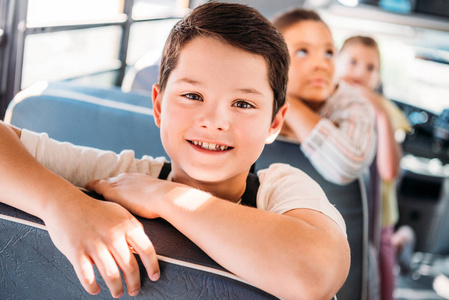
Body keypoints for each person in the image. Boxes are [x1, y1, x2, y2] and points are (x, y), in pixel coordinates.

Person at [0, 2, 350, 299]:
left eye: (243, 103)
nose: (215, 122)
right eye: (193, 96)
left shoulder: (283, 188)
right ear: (158, 105)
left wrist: (164, 196)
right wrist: (63, 204)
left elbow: (315, 271)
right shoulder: (123, 174)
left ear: (274, 123)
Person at [336, 35, 412, 300]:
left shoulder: (386, 112)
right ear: (337, 63)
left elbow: (389, 171)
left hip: (378, 220)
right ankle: (404, 240)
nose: (360, 72)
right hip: (339, 212)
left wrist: (379, 113)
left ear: (378, 78)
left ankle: (401, 241)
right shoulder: (327, 105)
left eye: (370, 68)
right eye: (353, 62)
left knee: (382, 286)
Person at [271, 9, 376, 185]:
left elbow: (346, 165)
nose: (322, 65)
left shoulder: (355, 105)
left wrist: (287, 102)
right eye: (303, 52)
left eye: (329, 53)